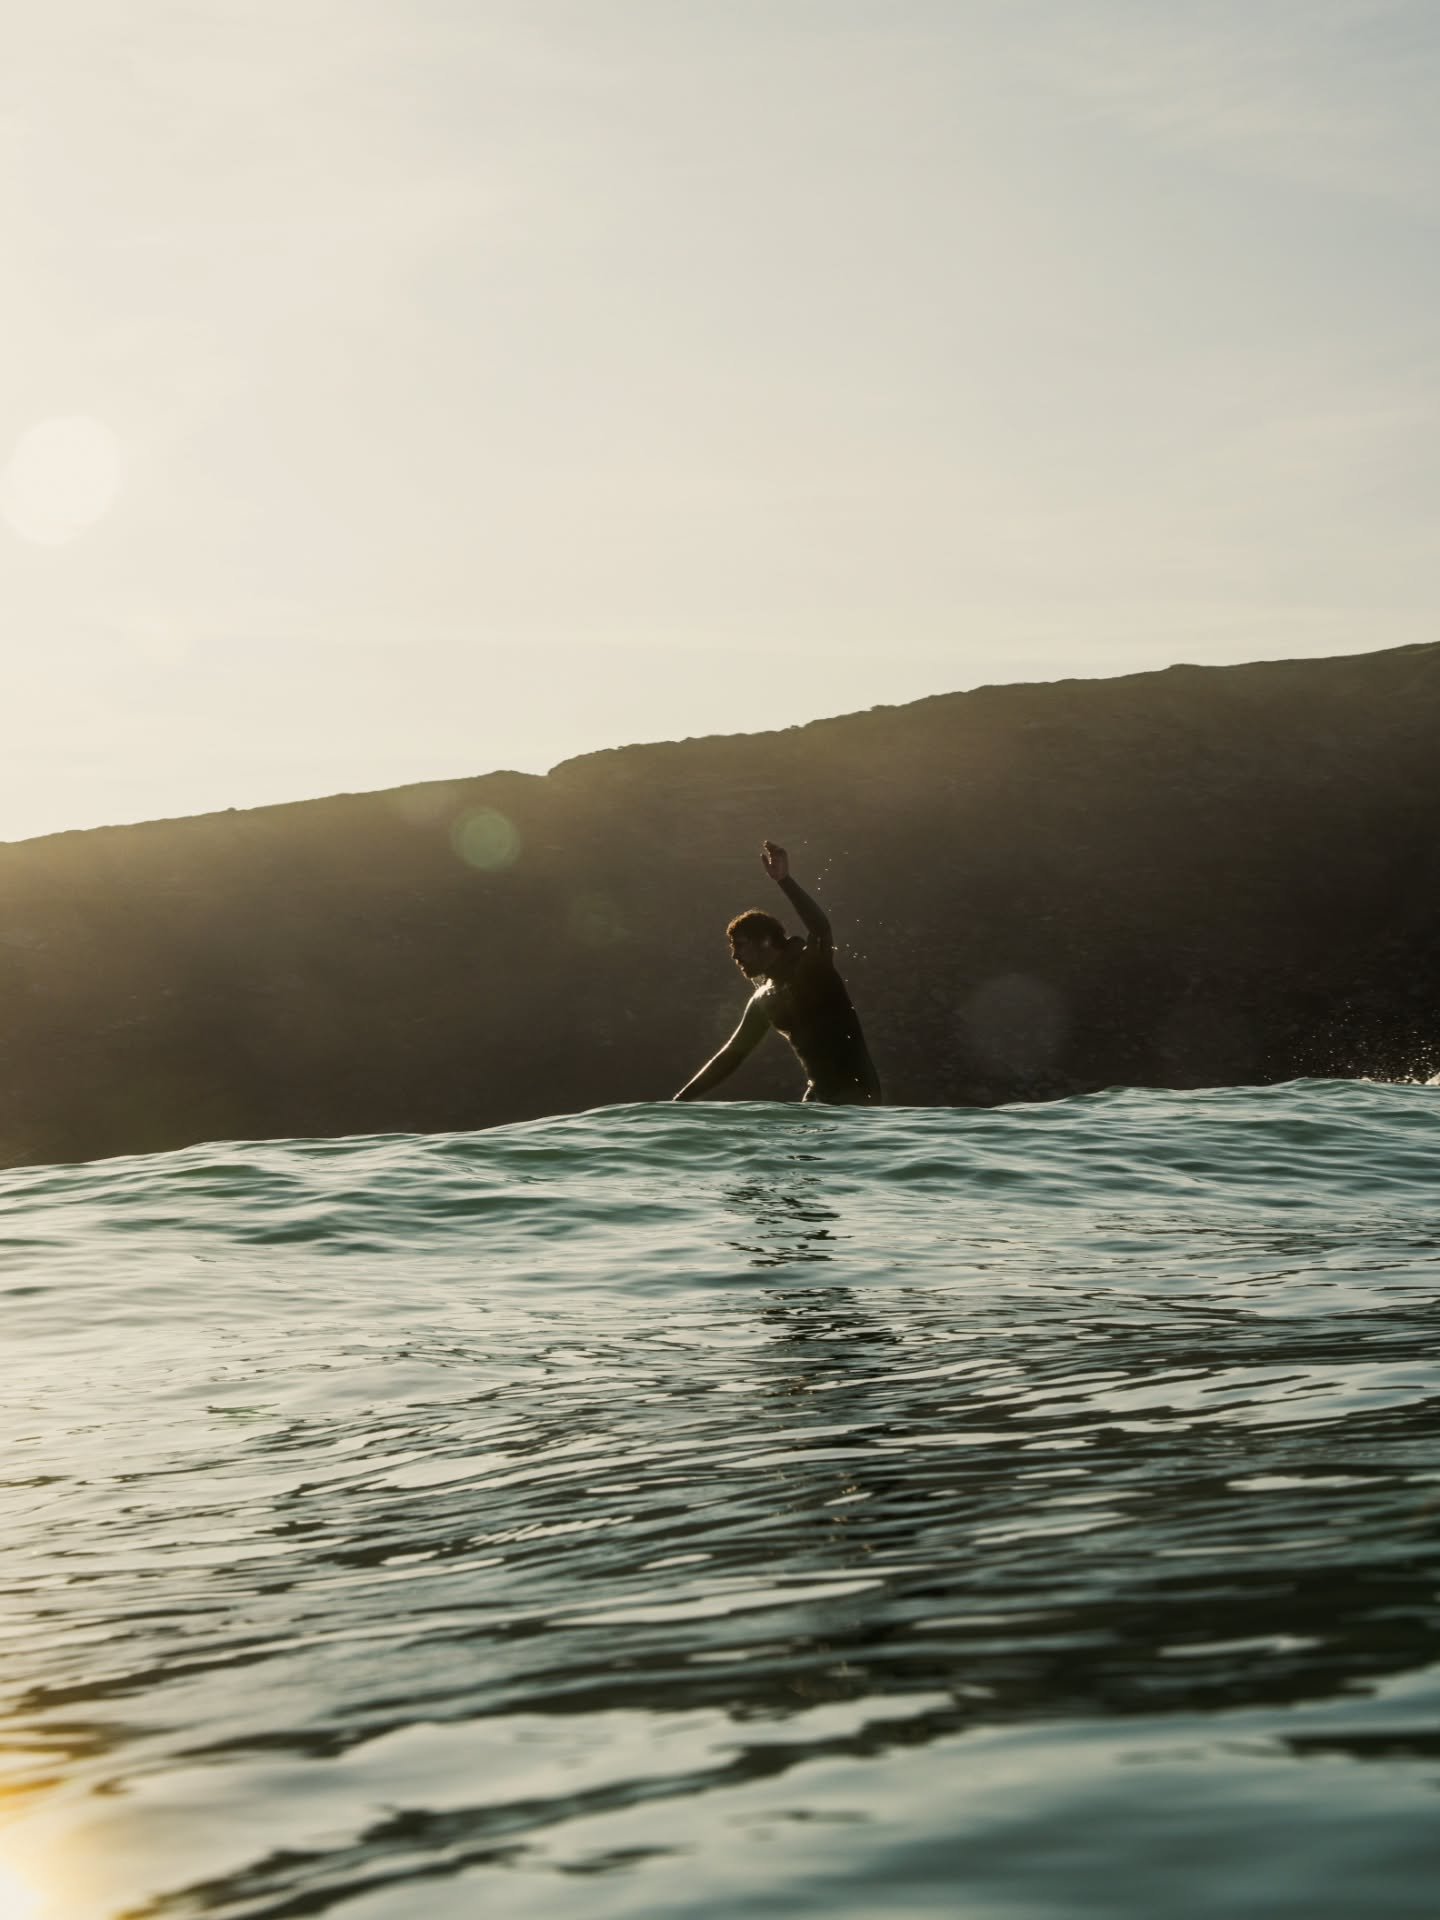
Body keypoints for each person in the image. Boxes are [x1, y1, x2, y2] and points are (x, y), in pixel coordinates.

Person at [674, 841, 882, 1106]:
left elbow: (820, 928)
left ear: (766, 942)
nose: (735, 956)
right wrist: (678, 1102)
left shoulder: (811, 967)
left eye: (740, 946)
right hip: (817, 1099)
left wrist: (785, 881)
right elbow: (731, 1055)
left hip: (858, 1097)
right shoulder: (764, 998)